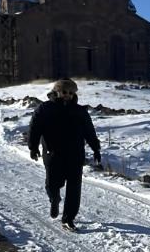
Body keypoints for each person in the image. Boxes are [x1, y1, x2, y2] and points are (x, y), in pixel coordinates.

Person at [28, 78, 101, 232]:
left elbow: (89, 131)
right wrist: (33, 147)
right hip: (53, 153)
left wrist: (96, 149)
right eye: (64, 92)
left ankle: (68, 219)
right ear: (56, 92)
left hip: (75, 155)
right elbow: (35, 128)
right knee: (52, 183)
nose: (67, 95)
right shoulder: (45, 108)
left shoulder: (80, 111)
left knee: (74, 188)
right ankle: (54, 198)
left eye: (70, 92)